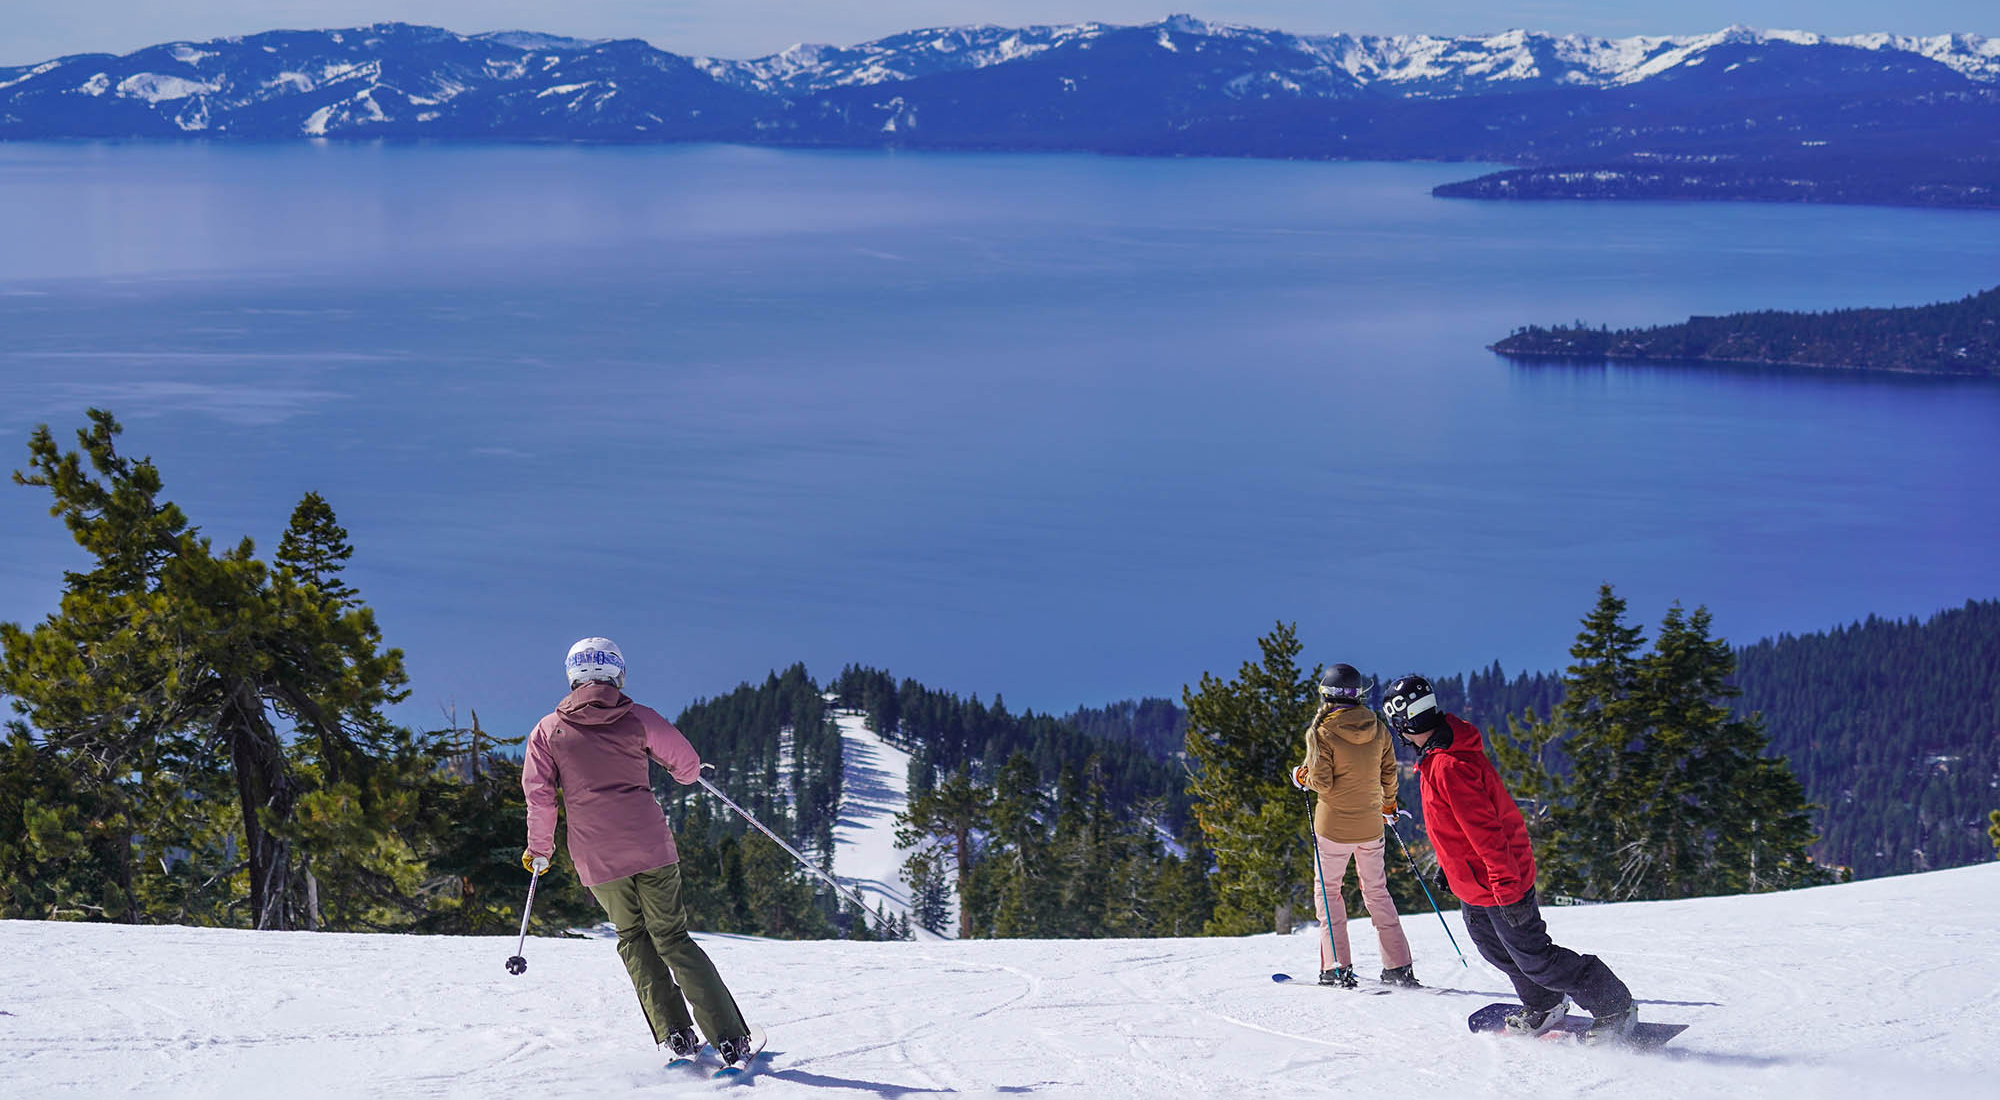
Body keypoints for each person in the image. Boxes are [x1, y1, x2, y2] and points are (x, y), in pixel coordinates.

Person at [522, 637, 758, 1068]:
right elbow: (686, 766)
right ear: (617, 672)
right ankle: (729, 1039)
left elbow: (540, 797)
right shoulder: (639, 718)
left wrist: (539, 849)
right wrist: (680, 769)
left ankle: (676, 1037)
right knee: (672, 938)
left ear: (572, 674)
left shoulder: (547, 731)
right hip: (649, 847)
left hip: (596, 857)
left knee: (633, 938)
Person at [1380, 673, 1638, 1044]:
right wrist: (1451, 869)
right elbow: (1457, 830)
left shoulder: (1450, 765)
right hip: (1476, 883)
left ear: (1400, 723)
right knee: (1497, 950)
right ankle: (1544, 1003)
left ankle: (1614, 1005)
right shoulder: (1436, 758)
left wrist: (1506, 888)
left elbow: (1488, 833)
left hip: (1501, 881)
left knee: (1536, 958)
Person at [1289, 664, 1418, 990]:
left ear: (1325, 695)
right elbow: (1389, 775)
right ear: (1358, 694)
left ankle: (1336, 967)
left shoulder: (1321, 733)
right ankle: (1398, 966)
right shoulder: (1378, 727)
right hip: (1371, 826)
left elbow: (1322, 782)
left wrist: (1301, 776)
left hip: (1332, 828)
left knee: (1330, 893)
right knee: (1376, 892)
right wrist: (1388, 806)